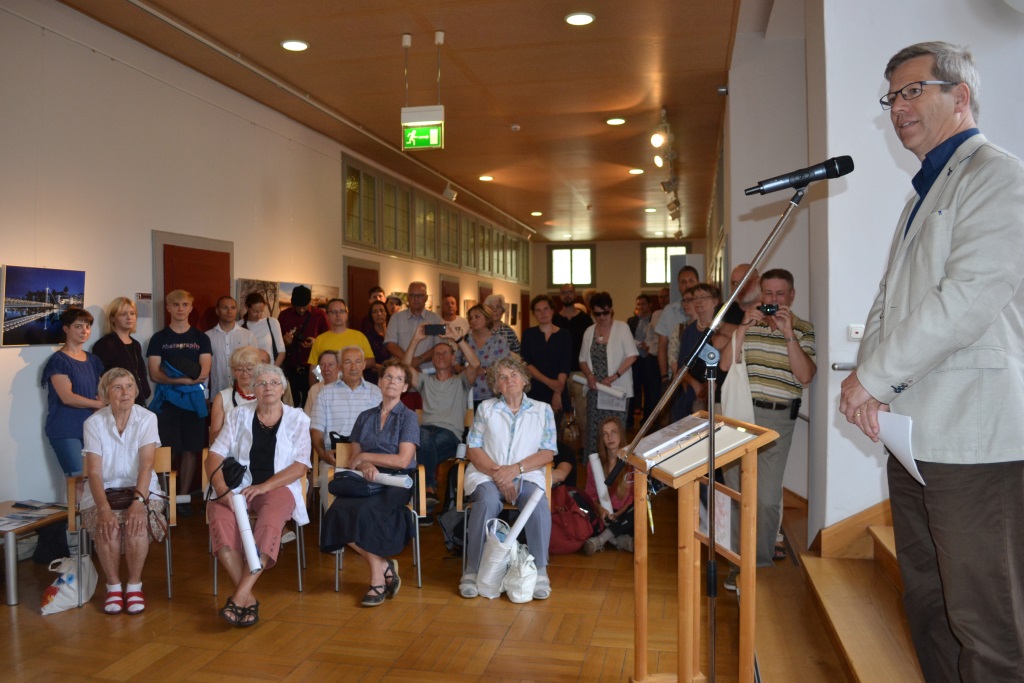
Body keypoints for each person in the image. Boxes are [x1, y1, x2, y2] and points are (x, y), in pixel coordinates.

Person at [839, 42, 1024, 681]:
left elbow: (968, 298)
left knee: (985, 620)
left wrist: (872, 377)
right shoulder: (924, 192)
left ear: (960, 95)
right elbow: (892, 304)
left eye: (913, 90)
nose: (898, 108)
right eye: (892, 96)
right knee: (928, 602)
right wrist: (871, 386)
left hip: (975, 439)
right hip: (914, 436)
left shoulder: (996, 174)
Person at [721, 269, 815, 582]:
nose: (773, 300)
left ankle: (757, 566)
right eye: (768, 294)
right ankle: (738, 563)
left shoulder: (803, 329)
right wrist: (743, 329)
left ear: (792, 296)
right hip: (741, 414)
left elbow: (805, 375)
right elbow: (724, 364)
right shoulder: (749, 324)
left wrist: (788, 333)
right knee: (736, 491)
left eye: (780, 294)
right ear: (761, 295)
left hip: (777, 419)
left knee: (766, 498)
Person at [206, 364, 311, 627]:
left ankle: (240, 595)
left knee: (269, 523)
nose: (268, 388)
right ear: (252, 390)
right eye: (261, 383)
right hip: (239, 487)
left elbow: (300, 465)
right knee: (219, 517)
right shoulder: (238, 416)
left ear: (283, 388)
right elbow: (215, 455)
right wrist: (223, 490)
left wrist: (264, 487)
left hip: (278, 488)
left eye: (274, 383)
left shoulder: (298, 419)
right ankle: (248, 598)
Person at [320, 359, 419, 607]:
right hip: (366, 478)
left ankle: (376, 580)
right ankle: (383, 565)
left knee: (366, 511)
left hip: (397, 481)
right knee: (338, 511)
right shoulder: (365, 416)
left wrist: (366, 456)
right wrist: (363, 464)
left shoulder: (408, 418)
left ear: (405, 387)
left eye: (398, 379)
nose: (392, 382)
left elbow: (403, 459)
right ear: (379, 382)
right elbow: (355, 455)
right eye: (388, 377)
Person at [459, 355, 557, 601]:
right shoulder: (487, 408)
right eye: (502, 377)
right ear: (496, 385)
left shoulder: (543, 410)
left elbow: (547, 451)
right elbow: (473, 448)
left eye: (514, 375)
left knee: (537, 502)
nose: (509, 380)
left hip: (526, 473)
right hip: (487, 473)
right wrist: (498, 475)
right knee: (487, 501)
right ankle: (473, 570)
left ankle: (541, 571)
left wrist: (515, 470)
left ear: (524, 380)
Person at [81, 368, 166, 615]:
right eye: (117, 387)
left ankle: (135, 586)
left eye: (129, 386)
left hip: (142, 490)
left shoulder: (147, 418)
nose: (125, 392)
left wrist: (138, 502)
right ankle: (114, 587)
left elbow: (147, 465)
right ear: (106, 394)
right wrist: (104, 510)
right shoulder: (93, 423)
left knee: (135, 523)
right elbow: (94, 473)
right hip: (101, 492)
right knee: (106, 525)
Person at [147, 289, 212, 516]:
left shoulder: (200, 338)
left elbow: (203, 373)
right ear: (168, 308)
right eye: (176, 305)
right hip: (166, 402)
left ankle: (182, 499)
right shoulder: (159, 338)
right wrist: (185, 379)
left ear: (191, 308)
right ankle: (166, 498)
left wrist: (178, 378)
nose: (180, 309)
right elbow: (155, 374)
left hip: (193, 403)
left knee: (191, 451)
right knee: (167, 452)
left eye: (185, 304)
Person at [403, 323, 481, 503]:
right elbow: (404, 368)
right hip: (426, 432)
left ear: (454, 359)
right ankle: (429, 492)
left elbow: (475, 364)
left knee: (421, 447)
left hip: (450, 435)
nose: (440, 356)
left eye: (445, 353)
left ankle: (423, 488)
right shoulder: (424, 381)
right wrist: (415, 340)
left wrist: (457, 338)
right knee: (422, 435)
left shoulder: (461, 381)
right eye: (437, 353)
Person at [309, 347, 382, 512]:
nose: (353, 367)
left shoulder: (376, 393)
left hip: (368, 458)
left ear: (364, 365)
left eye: (357, 362)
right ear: (340, 366)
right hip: (334, 458)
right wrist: (322, 454)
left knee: (376, 493)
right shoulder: (325, 393)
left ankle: (364, 534)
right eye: (348, 362)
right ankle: (342, 535)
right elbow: (316, 430)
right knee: (330, 488)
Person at [42, 307, 105, 477]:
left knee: (95, 479)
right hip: (66, 428)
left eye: (87, 326)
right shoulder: (59, 360)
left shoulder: (93, 359)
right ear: (66, 329)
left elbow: (100, 390)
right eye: (78, 326)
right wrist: (99, 404)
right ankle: (76, 506)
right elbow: (67, 397)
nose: (84, 331)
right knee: (77, 480)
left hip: (91, 428)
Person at [578, 292, 638, 456]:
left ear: (611, 310)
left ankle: (616, 468)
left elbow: (632, 355)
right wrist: (589, 375)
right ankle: (595, 470)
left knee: (615, 432)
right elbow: (582, 359)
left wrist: (614, 377)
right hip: (596, 389)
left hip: (616, 389)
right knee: (595, 432)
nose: (603, 317)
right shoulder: (589, 331)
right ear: (592, 313)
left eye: (606, 312)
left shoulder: (622, 328)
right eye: (598, 314)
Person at [668, 284, 730, 420]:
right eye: (695, 298)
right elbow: (682, 367)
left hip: (720, 393)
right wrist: (695, 385)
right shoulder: (689, 331)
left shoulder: (725, 328)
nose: (698, 301)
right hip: (694, 393)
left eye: (703, 297)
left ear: (715, 301)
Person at [583, 417, 634, 555]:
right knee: (581, 502)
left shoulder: (632, 463)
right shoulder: (595, 463)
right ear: (602, 439)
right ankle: (620, 541)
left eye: (613, 432)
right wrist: (600, 510)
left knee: (637, 507)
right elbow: (590, 494)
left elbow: (634, 497)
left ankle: (600, 540)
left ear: (621, 435)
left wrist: (618, 514)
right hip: (604, 514)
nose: (609, 437)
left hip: (624, 515)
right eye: (605, 434)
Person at [278, 285, 329, 410]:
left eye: (304, 307)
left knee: (312, 404)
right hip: (291, 368)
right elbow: (277, 342)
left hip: (312, 369)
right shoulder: (284, 315)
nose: (301, 310)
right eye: (298, 307)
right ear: (292, 303)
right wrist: (284, 342)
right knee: (290, 405)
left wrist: (316, 342)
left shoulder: (319, 315)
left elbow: (328, 339)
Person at [553, 283, 594, 441]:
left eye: (570, 292)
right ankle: (559, 447)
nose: (567, 295)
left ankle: (584, 448)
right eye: (564, 293)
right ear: (560, 296)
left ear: (575, 294)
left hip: (580, 371)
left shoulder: (585, 319)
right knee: (559, 414)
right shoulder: (555, 319)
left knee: (583, 413)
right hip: (559, 373)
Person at [92, 297, 150, 406]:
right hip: (117, 404)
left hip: (138, 402)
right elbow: (100, 378)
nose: (129, 318)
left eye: (132, 313)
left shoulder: (136, 344)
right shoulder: (104, 344)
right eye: (123, 314)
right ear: (113, 318)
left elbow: (140, 373)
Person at [521, 295, 571, 420]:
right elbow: (527, 363)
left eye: (546, 309)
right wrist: (549, 382)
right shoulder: (528, 334)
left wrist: (557, 392)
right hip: (535, 388)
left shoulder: (564, 334)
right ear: (534, 314)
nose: (543, 313)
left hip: (558, 390)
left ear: (552, 310)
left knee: (555, 432)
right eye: (538, 310)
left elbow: (565, 365)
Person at [307, 298, 375, 385]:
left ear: (347, 314)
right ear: (327, 316)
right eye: (334, 312)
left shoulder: (359, 336)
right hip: (328, 389)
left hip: (355, 388)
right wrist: (313, 390)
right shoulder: (320, 339)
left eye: (342, 311)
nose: (338, 315)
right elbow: (313, 368)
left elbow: (371, 361)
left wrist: (349, 362)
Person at [458, 304, 510, 407]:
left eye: (477, 317)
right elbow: (454, 362)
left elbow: (507, 367)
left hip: (491, 395)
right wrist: (463, 370)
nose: (473, 320)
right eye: (471, 318)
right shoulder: (466, 339)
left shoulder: (499, 341)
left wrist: (485, 371)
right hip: (467, 394)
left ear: (487, 318)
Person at [656, 265, 700, 383]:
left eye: (691, 281)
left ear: (698, 283)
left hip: (701, 375)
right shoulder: (669, 311)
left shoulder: (707, 310)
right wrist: (664, 377)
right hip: (676, 376)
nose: (687, 285)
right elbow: (663, 347)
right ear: (678, 286)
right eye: (683, 282)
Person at [384, 282, 443, 370]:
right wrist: (409, 362)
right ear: (407, 297)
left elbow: (440, 346)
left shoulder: (436, 320)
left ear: (426, 298)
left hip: (427, 373)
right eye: (412, 295)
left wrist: (419, 360)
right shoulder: (396, 318)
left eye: (420, 296)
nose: (415, 299)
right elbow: (390, 344)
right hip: (401, 371)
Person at [206, 296, 257, 397]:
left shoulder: (248, 335)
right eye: (225, 308)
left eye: (233, 308)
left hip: (245, 394)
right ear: (217, 311)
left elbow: (256, 366)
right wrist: (205, 395)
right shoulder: (207, 336)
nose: (229, 311)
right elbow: (205, 369)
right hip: (218, 393)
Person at [209, 346, 260, 444]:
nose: (244, 373)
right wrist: (232, 426)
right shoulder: (222, 397)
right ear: (233, 371)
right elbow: (212, 440)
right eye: (239, 369)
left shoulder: (267, 394)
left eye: (249, 369)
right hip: (231, 453)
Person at [629, 294, 660, 427]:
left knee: (649, 391)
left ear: (649, 305)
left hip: (649, 359)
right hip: (635, 359)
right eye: (638, 304)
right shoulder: (631, 321)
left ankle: (647, 419)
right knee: (632, 389)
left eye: (643, 304)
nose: (641, 307)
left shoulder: (655, 318)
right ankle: (629, 420)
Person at [241, 292, 286, 367]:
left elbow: (281, 351)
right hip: (247, 371)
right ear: (247, 307)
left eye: (261, 311)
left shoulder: (272, 322)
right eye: (255, 311)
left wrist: (273, 370)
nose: (259, 315)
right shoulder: (239, 325)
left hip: (268, 369)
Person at [362, 300, 391, 383]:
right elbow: (369, 364)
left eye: (381, 310)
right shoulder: (367, 337)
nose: (379, 314)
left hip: (394, 379)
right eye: (375, 312)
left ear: (386, 313)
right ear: (371, 316)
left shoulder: (393, 334)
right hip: (374, 380)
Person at [304, 349, 339, 415]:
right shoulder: (314, 389)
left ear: (338, 367)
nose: (326, 368)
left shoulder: (345, 388)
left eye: (330, 364)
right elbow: (307, 416)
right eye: (322, 364)